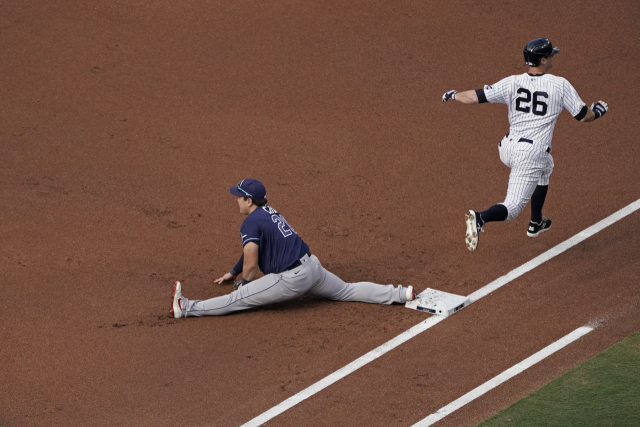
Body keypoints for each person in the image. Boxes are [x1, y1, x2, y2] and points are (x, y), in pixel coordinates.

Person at [442, 38, 609, 251]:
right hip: (529, 155)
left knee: (546, 165)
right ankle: (480, 218)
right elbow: (584, 116)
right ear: (542, 60)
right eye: (550, 55)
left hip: (507, 147)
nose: (552, 57)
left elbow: (474, 97)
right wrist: (599, 112)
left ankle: (536, 222)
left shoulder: (511, 82)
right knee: (512, 209)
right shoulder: (559, 85)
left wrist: (454, 95)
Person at [170, 179, 415, 317]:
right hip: (313, 268)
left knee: (238, 299)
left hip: (292, 280)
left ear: (248, 201)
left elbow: (252, 263)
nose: (236, 199)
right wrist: (234, 272)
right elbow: (253, 250)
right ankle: (401, 294)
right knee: (347, 290)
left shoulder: (249, 222)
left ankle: (186, 308)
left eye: (239, 196)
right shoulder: (268, 212)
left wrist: (244, 283)